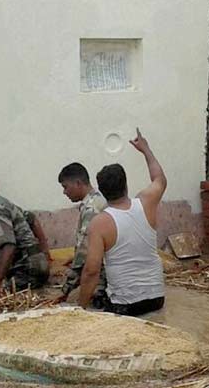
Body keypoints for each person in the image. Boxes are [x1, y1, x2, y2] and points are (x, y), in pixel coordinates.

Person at [79, 129, 166, 316]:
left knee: (95, 300)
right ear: (126, 185)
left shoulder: (99, 222)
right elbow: (159, 179)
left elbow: (91, 271)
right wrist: (146, 149)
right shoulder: (146, 202)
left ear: (101, 191)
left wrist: (80, 309)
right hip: (157, 299)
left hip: (124, 306)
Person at [0, 167, 49, 299]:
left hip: (29, 269)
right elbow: (32, 218)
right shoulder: (3, 203)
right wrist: (45, 253)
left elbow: (9, 246)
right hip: (38, 265)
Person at [53, 162, 108, 306]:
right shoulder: (97, 198)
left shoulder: (91, 208)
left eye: (65, 187)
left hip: (106, 275)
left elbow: (84, 253)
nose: (64, 192)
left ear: (78, 183)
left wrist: (64, 291)